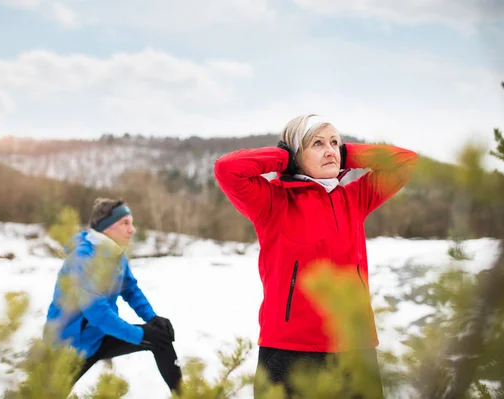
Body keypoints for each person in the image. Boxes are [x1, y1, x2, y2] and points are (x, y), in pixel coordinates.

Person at [214, 114, 418, 398]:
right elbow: (227, 168)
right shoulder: (272, 201)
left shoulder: (354, 198)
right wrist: (285, 158)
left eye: (335, 142)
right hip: (288, 351)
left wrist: (346, 154)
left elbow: (405, 161)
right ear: (295, 153)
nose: (330, 150)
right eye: (317, 143)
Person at [43, 198, 182, 394]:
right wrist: (141, 334)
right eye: (125, 223)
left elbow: (130, 289)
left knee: (160, 338)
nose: (132, 229)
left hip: (99, 336)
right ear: (105, 227)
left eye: (131, 223)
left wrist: (152, 318)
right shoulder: (84, 257)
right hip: (70, 345)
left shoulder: (116, 255)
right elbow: (97, 313)